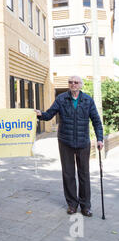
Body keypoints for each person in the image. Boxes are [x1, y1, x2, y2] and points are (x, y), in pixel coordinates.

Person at [35, 75, 103, 217]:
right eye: (70, 82)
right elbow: (49, 114)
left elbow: (96, 120)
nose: (73, 84)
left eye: (76, 82)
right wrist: (40, 114)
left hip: (83, 142)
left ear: (81, 85)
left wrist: (100, 139)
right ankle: (72, 204)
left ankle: (85, 206)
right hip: (65, 142)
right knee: (68, 174)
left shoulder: (87, 100)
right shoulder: (61, 99)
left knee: (84, 174)